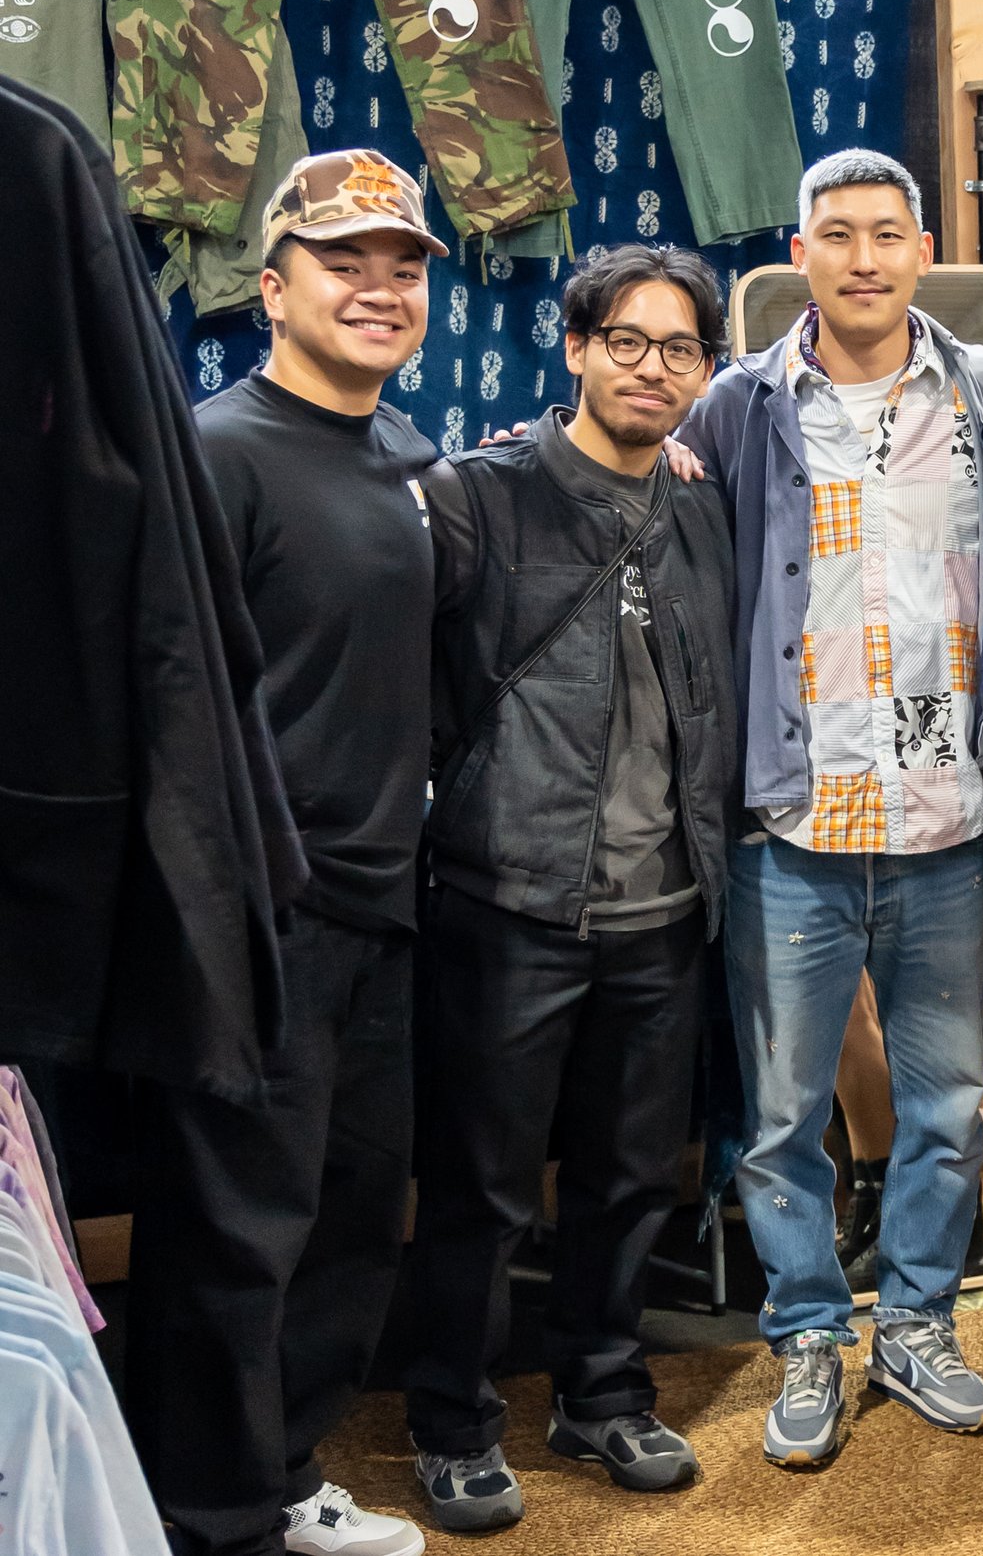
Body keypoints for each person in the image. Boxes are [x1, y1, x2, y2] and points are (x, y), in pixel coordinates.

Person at [672, 148, 983, 1464]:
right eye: (838, 234)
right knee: (779, 1118)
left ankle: (920, 1327)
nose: (864, 258)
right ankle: (808, 1338)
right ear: (799, 253)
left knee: (943, 1104)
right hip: (795, 818)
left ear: (921, 250)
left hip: (945, 819)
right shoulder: (738, 406)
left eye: (886, 233)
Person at [126, 149, 442, 1556]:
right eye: (345, 260)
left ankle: (281, 1469)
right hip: (262, 913)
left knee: (351, 1215)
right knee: (233, 1228)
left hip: (385, 905)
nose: (381, 286)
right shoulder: (218, 453)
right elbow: (169, 697)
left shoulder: (405, 455)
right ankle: (206, 1510)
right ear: (271, 287)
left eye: (405, 263)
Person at [400, 245, 737, 1529]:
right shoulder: (478, 494)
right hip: (509, 903)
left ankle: (601, 1391)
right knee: (481, 1187)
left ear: (705, 374)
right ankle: (451, 1417)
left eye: (681, 350)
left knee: (629, 1175)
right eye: (629, 342)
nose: (654, 368)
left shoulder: (701, 503)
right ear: (577, 348)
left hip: (666, 910)